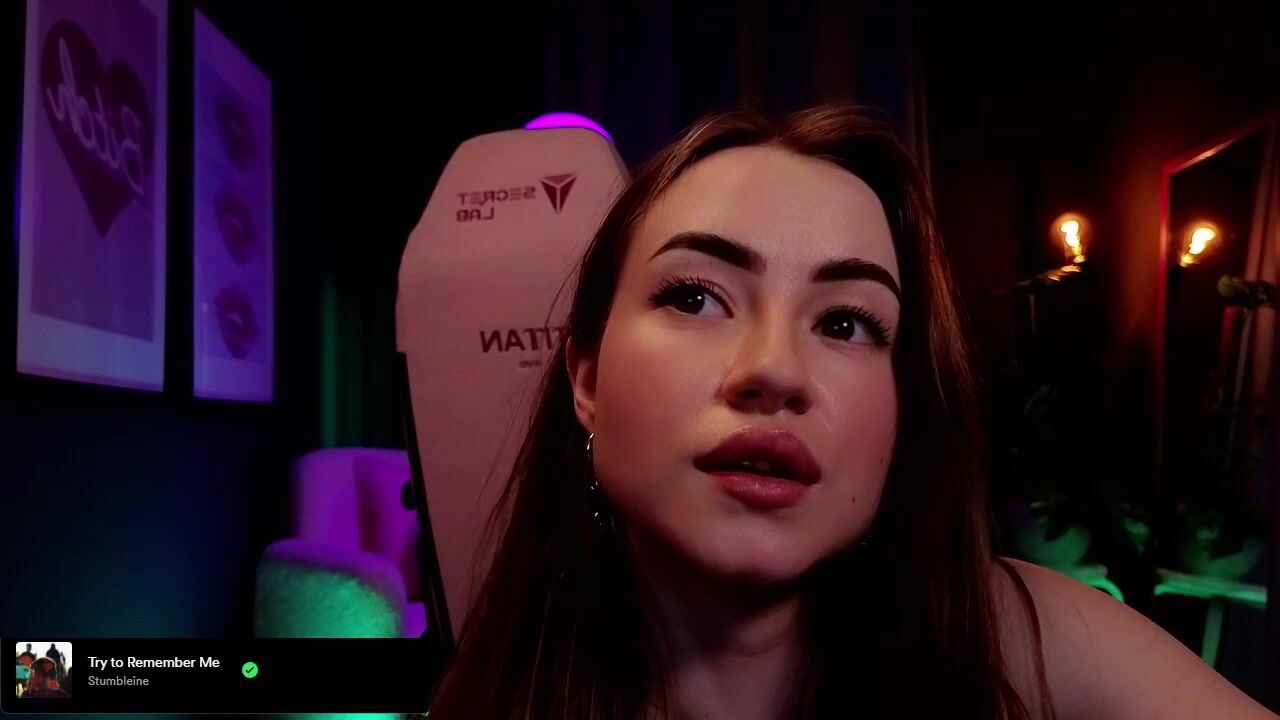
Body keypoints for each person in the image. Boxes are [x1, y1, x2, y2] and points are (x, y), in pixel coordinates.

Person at [424, 103, 1279, 719]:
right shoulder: (500, 687)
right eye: (695, 296)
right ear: (586, 380)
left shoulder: (1019, 637)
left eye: (844, 323)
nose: (773, 370)